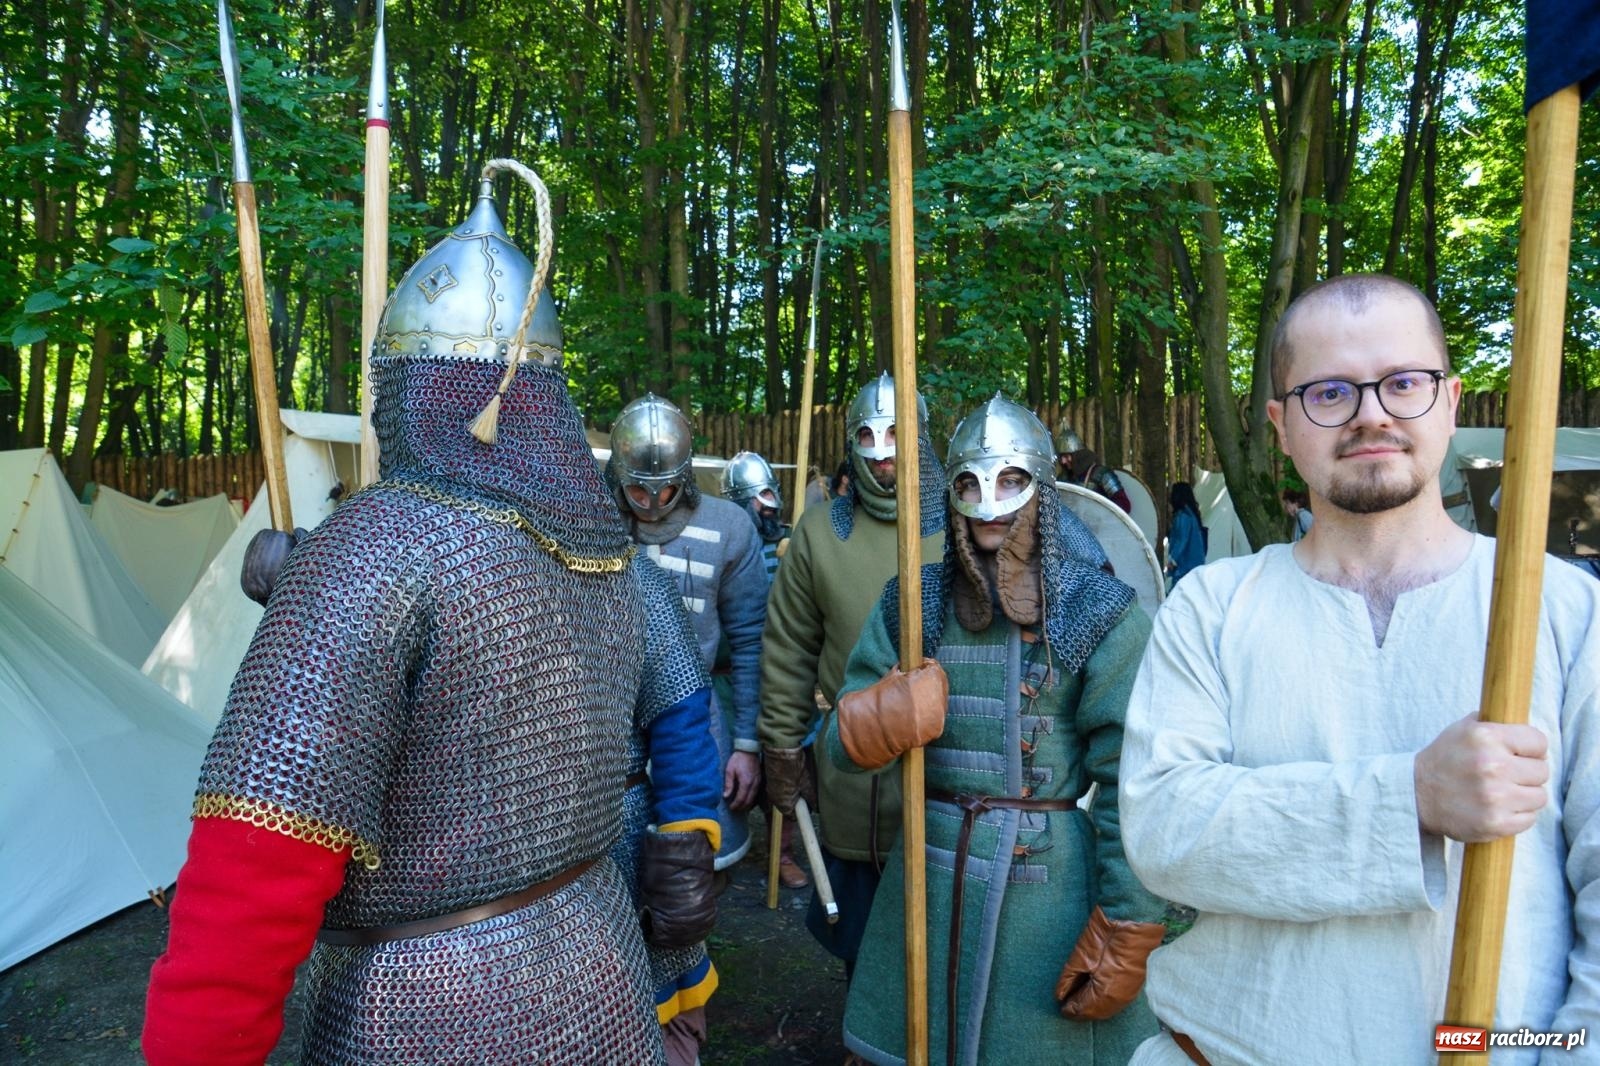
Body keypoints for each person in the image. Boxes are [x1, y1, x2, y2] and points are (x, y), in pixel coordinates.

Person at [143, 176, 710, 1064]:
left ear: (404, 384)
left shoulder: (373, 552)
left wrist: (315, 599)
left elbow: (252, 872)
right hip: (600, 972)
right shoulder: (605, 552)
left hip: (424, 1011)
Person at [1119, 273, 1600, 1065]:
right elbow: (1166, 832)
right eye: (1329, 392)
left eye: (1403, 382)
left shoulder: (1559, 612)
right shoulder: (1211, 607)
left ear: (1450, 402)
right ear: (1280, 425)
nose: (1371, 412)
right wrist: (1406, 800)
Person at [824, 393, 1165, 1066]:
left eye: (1011, 479)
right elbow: (835, 747)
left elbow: (1134, 778)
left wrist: (1129, 916)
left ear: (1042, 485)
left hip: (1046, 895)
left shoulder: (1098, 609)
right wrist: (880, 720)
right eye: (971, 482)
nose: (990, 500)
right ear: (948, 490)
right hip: (927, 876)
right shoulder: (912, 602)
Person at [758, 371, 947, 975]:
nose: (882, 449)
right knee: (862, 950)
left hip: (948, 784)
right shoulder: (819, 533)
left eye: (896, 433)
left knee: (943, 948)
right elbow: (787, 650)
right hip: (852, 782)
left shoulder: (964, 527)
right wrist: (784, 750)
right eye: (866, 434)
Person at [606, 392, 770, 1063]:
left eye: (663, 489)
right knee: (605, 897)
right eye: (636, 492)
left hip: (693, 733)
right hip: (605, 741)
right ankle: (614, 1019)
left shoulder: (729, 528)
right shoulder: (588, 522)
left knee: (687, 892)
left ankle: (682, 1026)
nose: (649, 505)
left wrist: (748, 742)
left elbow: (754, 641)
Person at [720, 449, 808, 889]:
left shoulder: (789, 547)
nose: (769, 506)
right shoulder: (727, 547)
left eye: (771, 496)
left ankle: (783, 852)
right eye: (759, 498)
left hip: (777, 673)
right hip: (731, 676)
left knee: (786, 766)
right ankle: (725, 846)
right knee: (727, 765)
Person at [1054, 422, 1133, 513]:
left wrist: (1100, 514)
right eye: (1061, 457)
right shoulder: (1063, 477)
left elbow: (1124, 505)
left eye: (1066, 456)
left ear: (1077, 455)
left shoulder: (1101, 474)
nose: (1063, 461)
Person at [1166, 481, 1206, 583]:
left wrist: (1172, 560)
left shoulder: (1183, 516)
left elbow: (1181, 540)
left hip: (1186, 567)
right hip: (1193, 566)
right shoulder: (1190, 514)